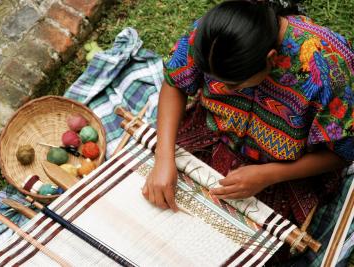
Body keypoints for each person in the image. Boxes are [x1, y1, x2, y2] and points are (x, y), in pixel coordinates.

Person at [142, 0, 354, 228]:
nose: (220, 88)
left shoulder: (330, 69)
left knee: (242, 240)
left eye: (232, 85)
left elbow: (344, 152)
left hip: (286, 169)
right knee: (153, 202)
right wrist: (164, 159)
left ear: (271, 59)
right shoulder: (215, 34)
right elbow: (175, 82)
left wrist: (269, 175)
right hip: (212, 135)